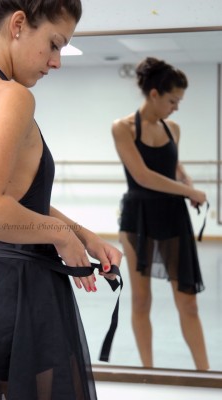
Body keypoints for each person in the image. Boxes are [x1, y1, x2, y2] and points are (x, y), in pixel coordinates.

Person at [0, 1, 122, 399]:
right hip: (13, 290)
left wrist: (80, 233)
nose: (56, 61)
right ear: (17, 25)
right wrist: (60, 237)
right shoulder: (10, 96)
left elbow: (8, 196)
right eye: (54, 44)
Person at [112, 57, 209, 370]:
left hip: (172, 217)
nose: (176, 107)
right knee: (141, 300)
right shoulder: (122, 128)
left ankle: (206, 373)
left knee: (188, 302)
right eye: (173, 100)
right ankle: (149, 372)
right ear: (154, 94)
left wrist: (188, 183)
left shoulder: (173, 129)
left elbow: (174, 169)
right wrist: (189, 192)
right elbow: (142, 176)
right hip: (137, 218)